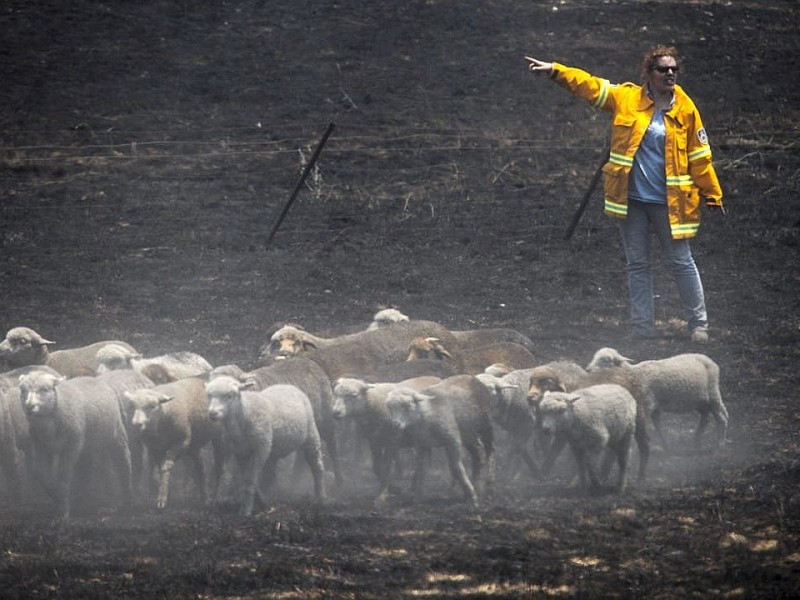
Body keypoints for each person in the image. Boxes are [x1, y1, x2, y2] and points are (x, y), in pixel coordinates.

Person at [525, 47, 725, 343]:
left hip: (670, 203)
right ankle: (642, 328)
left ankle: (699, 324)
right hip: (631, 201)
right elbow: (590, 85)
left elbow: (700, 155)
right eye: (663, 69)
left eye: (674, 69)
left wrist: (713, 194)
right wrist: (556, 69)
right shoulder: (627, 98)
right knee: (638, 264)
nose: (670, 74)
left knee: (681, 261)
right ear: (649, 73)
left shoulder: (685, 109)